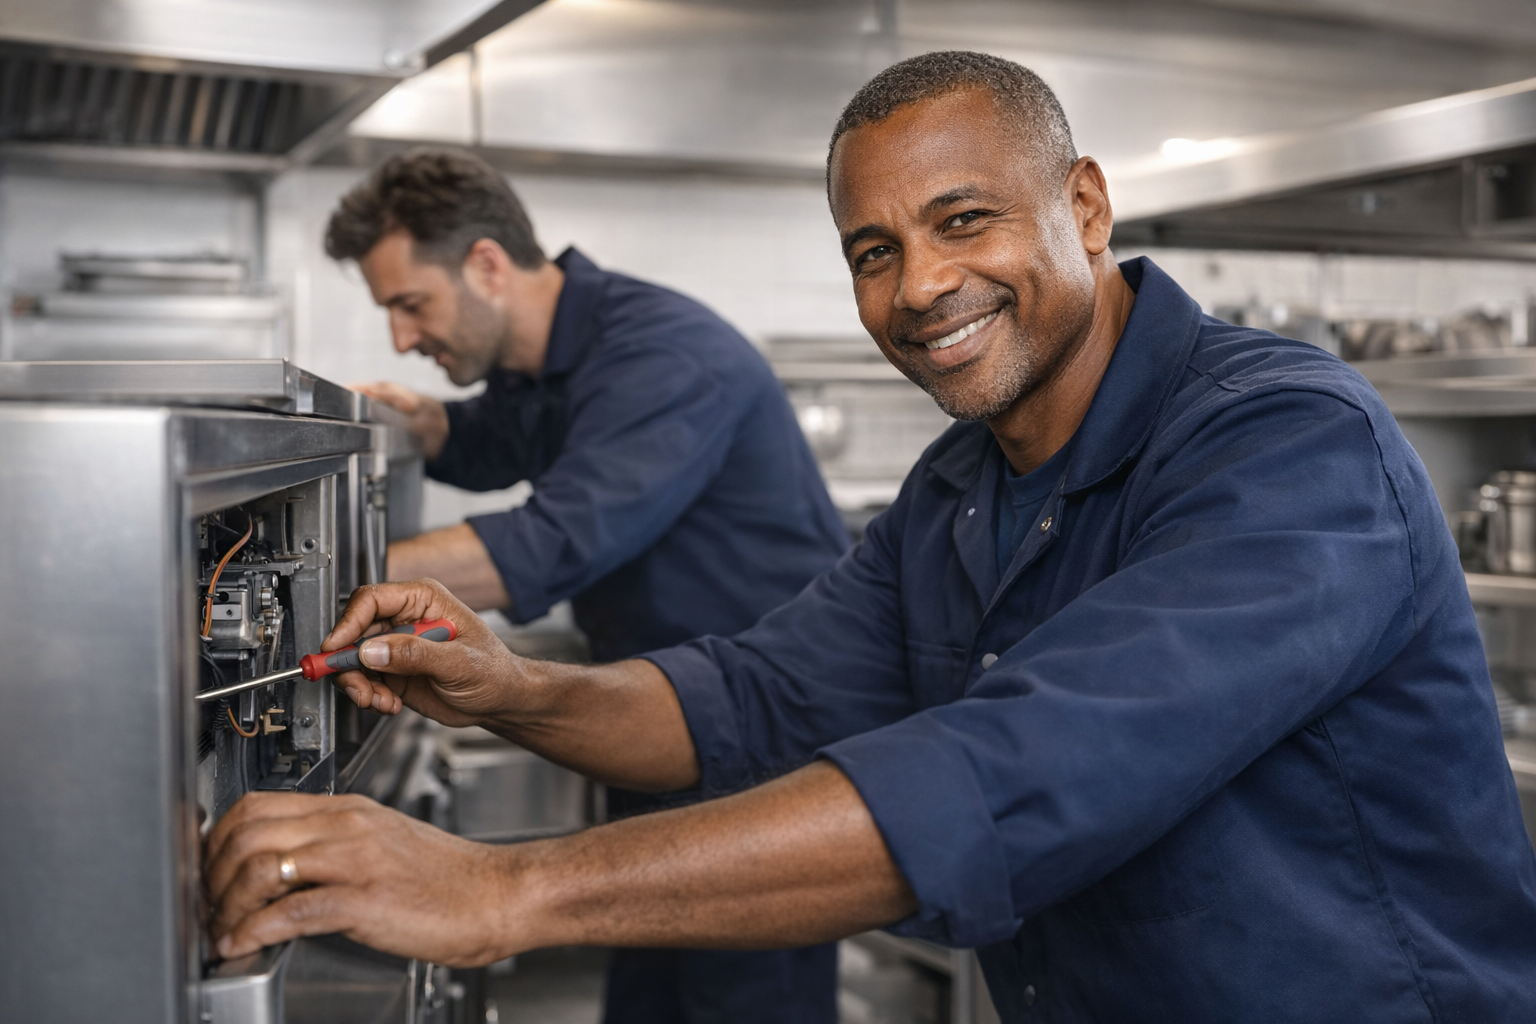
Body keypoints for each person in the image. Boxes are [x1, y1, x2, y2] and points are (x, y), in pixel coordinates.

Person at [207, 52, 1536, 1022]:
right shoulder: (965, 487)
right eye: (872, 251)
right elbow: (752, 698)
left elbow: (1022, 769)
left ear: (1082, 206)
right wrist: (512, 689)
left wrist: (499, 893)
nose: (920, 288)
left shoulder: (1286, 444)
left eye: (963, 220)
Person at [323, 149, 850, 1024]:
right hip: (658, 722)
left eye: (410, 306)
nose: (402, 340)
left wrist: (313, 575)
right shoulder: (558, 363)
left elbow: (550, 542)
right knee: (651, 993)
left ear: (487, 265)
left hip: (765, 747)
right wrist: (436, 427)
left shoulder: (664, 355)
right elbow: (506, 437)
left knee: (748, 1002)